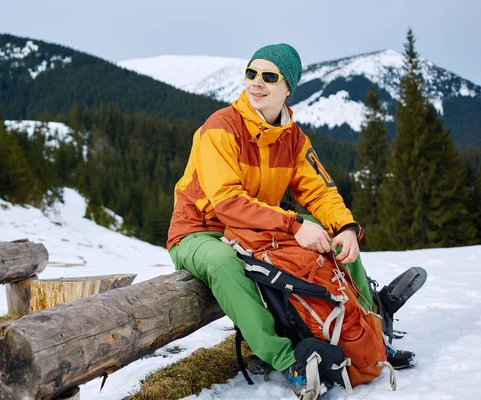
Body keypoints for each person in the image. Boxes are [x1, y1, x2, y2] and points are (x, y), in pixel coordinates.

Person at [167, 43, 414, 397]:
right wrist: (294, 225)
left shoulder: (294, 139)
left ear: (288, 88)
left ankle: (369, 339)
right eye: (251, 73)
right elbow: (227, 202)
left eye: (269, 76)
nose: (256, 83)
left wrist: (344, 228)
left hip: (258, 228)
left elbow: (320, 192)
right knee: (223, 263)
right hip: (200, 232)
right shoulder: (220, 128)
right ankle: (287, 360)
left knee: (337, 241)